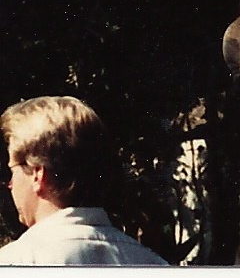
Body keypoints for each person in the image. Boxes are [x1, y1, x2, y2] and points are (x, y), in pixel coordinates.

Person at [1, 95, 167, 266]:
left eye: (11, 171)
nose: (10, 184)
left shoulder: (13, 263)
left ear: (37, 175)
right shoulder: (155, 264)